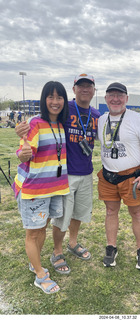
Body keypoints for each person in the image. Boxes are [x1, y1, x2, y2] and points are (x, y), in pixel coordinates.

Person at [15, 74, 100, 274]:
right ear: (74, 89)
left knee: (77, 214)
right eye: (81, 86)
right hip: (63, 176)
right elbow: (29, 136)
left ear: (94, 90)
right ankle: (57, 251)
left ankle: (73, 242)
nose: (85, 89)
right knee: (61, 216)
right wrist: (21, 139)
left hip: (85, 172)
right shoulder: (63, 109)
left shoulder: (96, 115)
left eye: (89, 86)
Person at [13, 81, 70, 294]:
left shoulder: (60, 125)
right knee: (33, 233)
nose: (55, 102)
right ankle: (40, 275)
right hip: (35, 189)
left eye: (59, 97)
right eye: (51, 97)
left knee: (42, 228)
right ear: (43, 100)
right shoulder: (35, 123)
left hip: (55, 188)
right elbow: (23, 151)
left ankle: (34, 261)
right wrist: (23, 153)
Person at [97, 82, 140, 271]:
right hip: (108, 176)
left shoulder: (137, 119)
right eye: (111, 95)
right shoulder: (101, 119)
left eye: (120, 95)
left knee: (137, 214)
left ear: (126, 99)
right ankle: (111, 248)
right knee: (110, 212)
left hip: (132, 177)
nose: (116, 99)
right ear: (105, 98)